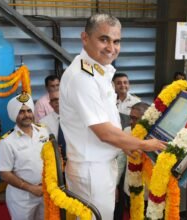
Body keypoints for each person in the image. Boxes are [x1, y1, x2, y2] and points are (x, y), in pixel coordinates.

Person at [60, 13, 166, 219]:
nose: (111, 48)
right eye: (104, 39)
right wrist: (144, 145)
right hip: (92, 170)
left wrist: (125, 145)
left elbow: (108, 120)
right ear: (85, 38)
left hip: (99, 165)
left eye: (116, 41)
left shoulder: (99, 70)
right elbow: (104, 132)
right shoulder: (83, 77)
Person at [0, 93, 49, 220]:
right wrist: (31, 188)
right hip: (22, 198)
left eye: (29, 111)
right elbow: (5, 174)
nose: (27, 115)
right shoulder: (7, 142)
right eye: (21, 112)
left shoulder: (43, 131)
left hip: (45, 191)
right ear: (14, 115)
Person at [40, 90, 66, 160]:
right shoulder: (43, 123)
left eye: (60, 99)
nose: (57, 101)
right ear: (50, 104)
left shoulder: (75, 119)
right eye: (54, 100)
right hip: (54, 162)